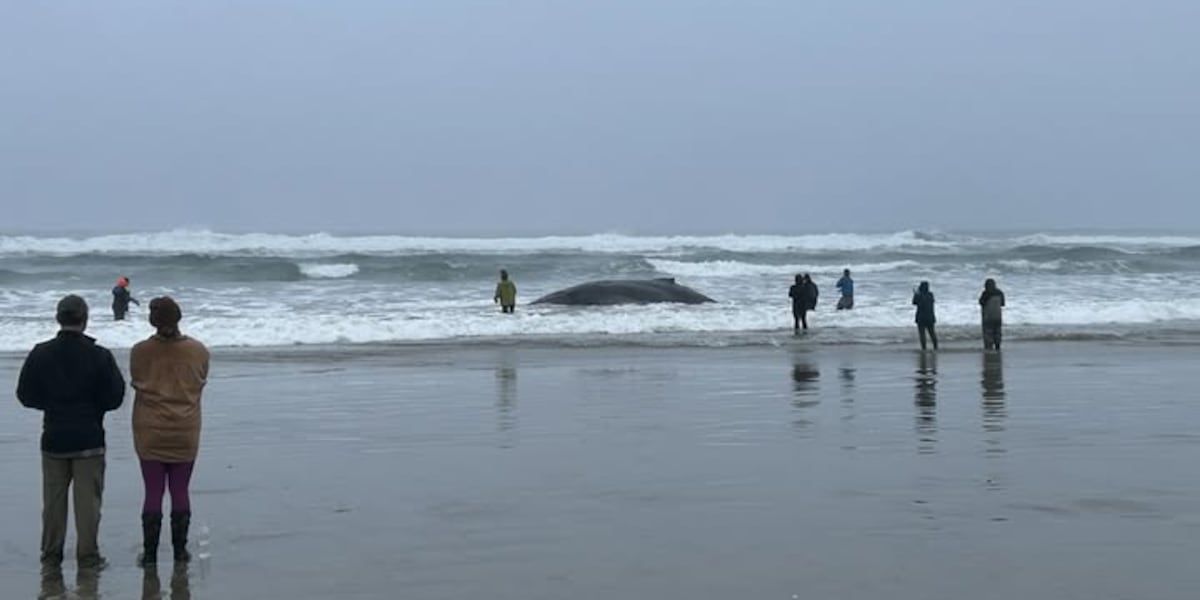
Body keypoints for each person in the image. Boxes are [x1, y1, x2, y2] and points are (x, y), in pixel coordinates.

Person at [16, 295, 126, 569]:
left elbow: (25, 395)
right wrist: (93, 408)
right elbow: (115, 397)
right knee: (88, 503)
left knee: (53, 501)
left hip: (54, 435)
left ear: (58, 318)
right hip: (89, 436)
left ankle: (51, 554)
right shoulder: (99, 355)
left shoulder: (40, 353)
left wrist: (51, 405)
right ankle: (88, 555)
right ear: (85, 319)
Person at [131, 297, 210, 565]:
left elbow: (136, 381)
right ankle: (180, 551)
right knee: (180, 490)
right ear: (179, 318)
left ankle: (150, 553)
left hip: (150, 429)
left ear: (153, 321)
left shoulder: (140, 351)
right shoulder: (198, 350)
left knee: (152, 491)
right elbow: (200, 383)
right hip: (185, 428)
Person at [979, 278, 1006, 351]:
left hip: (988, 316)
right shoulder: (1000, 293)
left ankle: (989, 347)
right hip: (998, 316)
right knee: (997, 332)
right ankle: (998, 346)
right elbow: (1003, 304)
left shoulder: (986, 293)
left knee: (988, 332)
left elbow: (981, 302)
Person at [912, 281, 938, 350]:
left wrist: (915, 294)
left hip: (921, 317)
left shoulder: (919, 295)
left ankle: (924, 348)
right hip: (930, 317)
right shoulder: (930, 295)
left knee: (922, 334)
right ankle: (935, 347)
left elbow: (914, 303)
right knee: (932, 333)